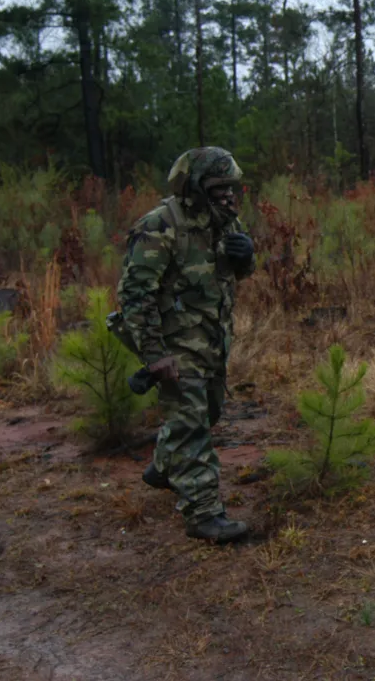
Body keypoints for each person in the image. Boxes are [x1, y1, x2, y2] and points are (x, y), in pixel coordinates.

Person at [115, 147, 256, 543]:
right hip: (175, 346)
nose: (229, 196)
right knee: (193, 426)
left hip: (212, 341)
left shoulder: (225, 222)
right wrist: (155, 355)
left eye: (233, 187)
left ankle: (163, 466)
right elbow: (135, 296)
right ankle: (204, 514)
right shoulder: (160, 226)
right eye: (219, 188)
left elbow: (237, 272)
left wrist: (246, 256)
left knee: (208, 411)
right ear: (195, 187)